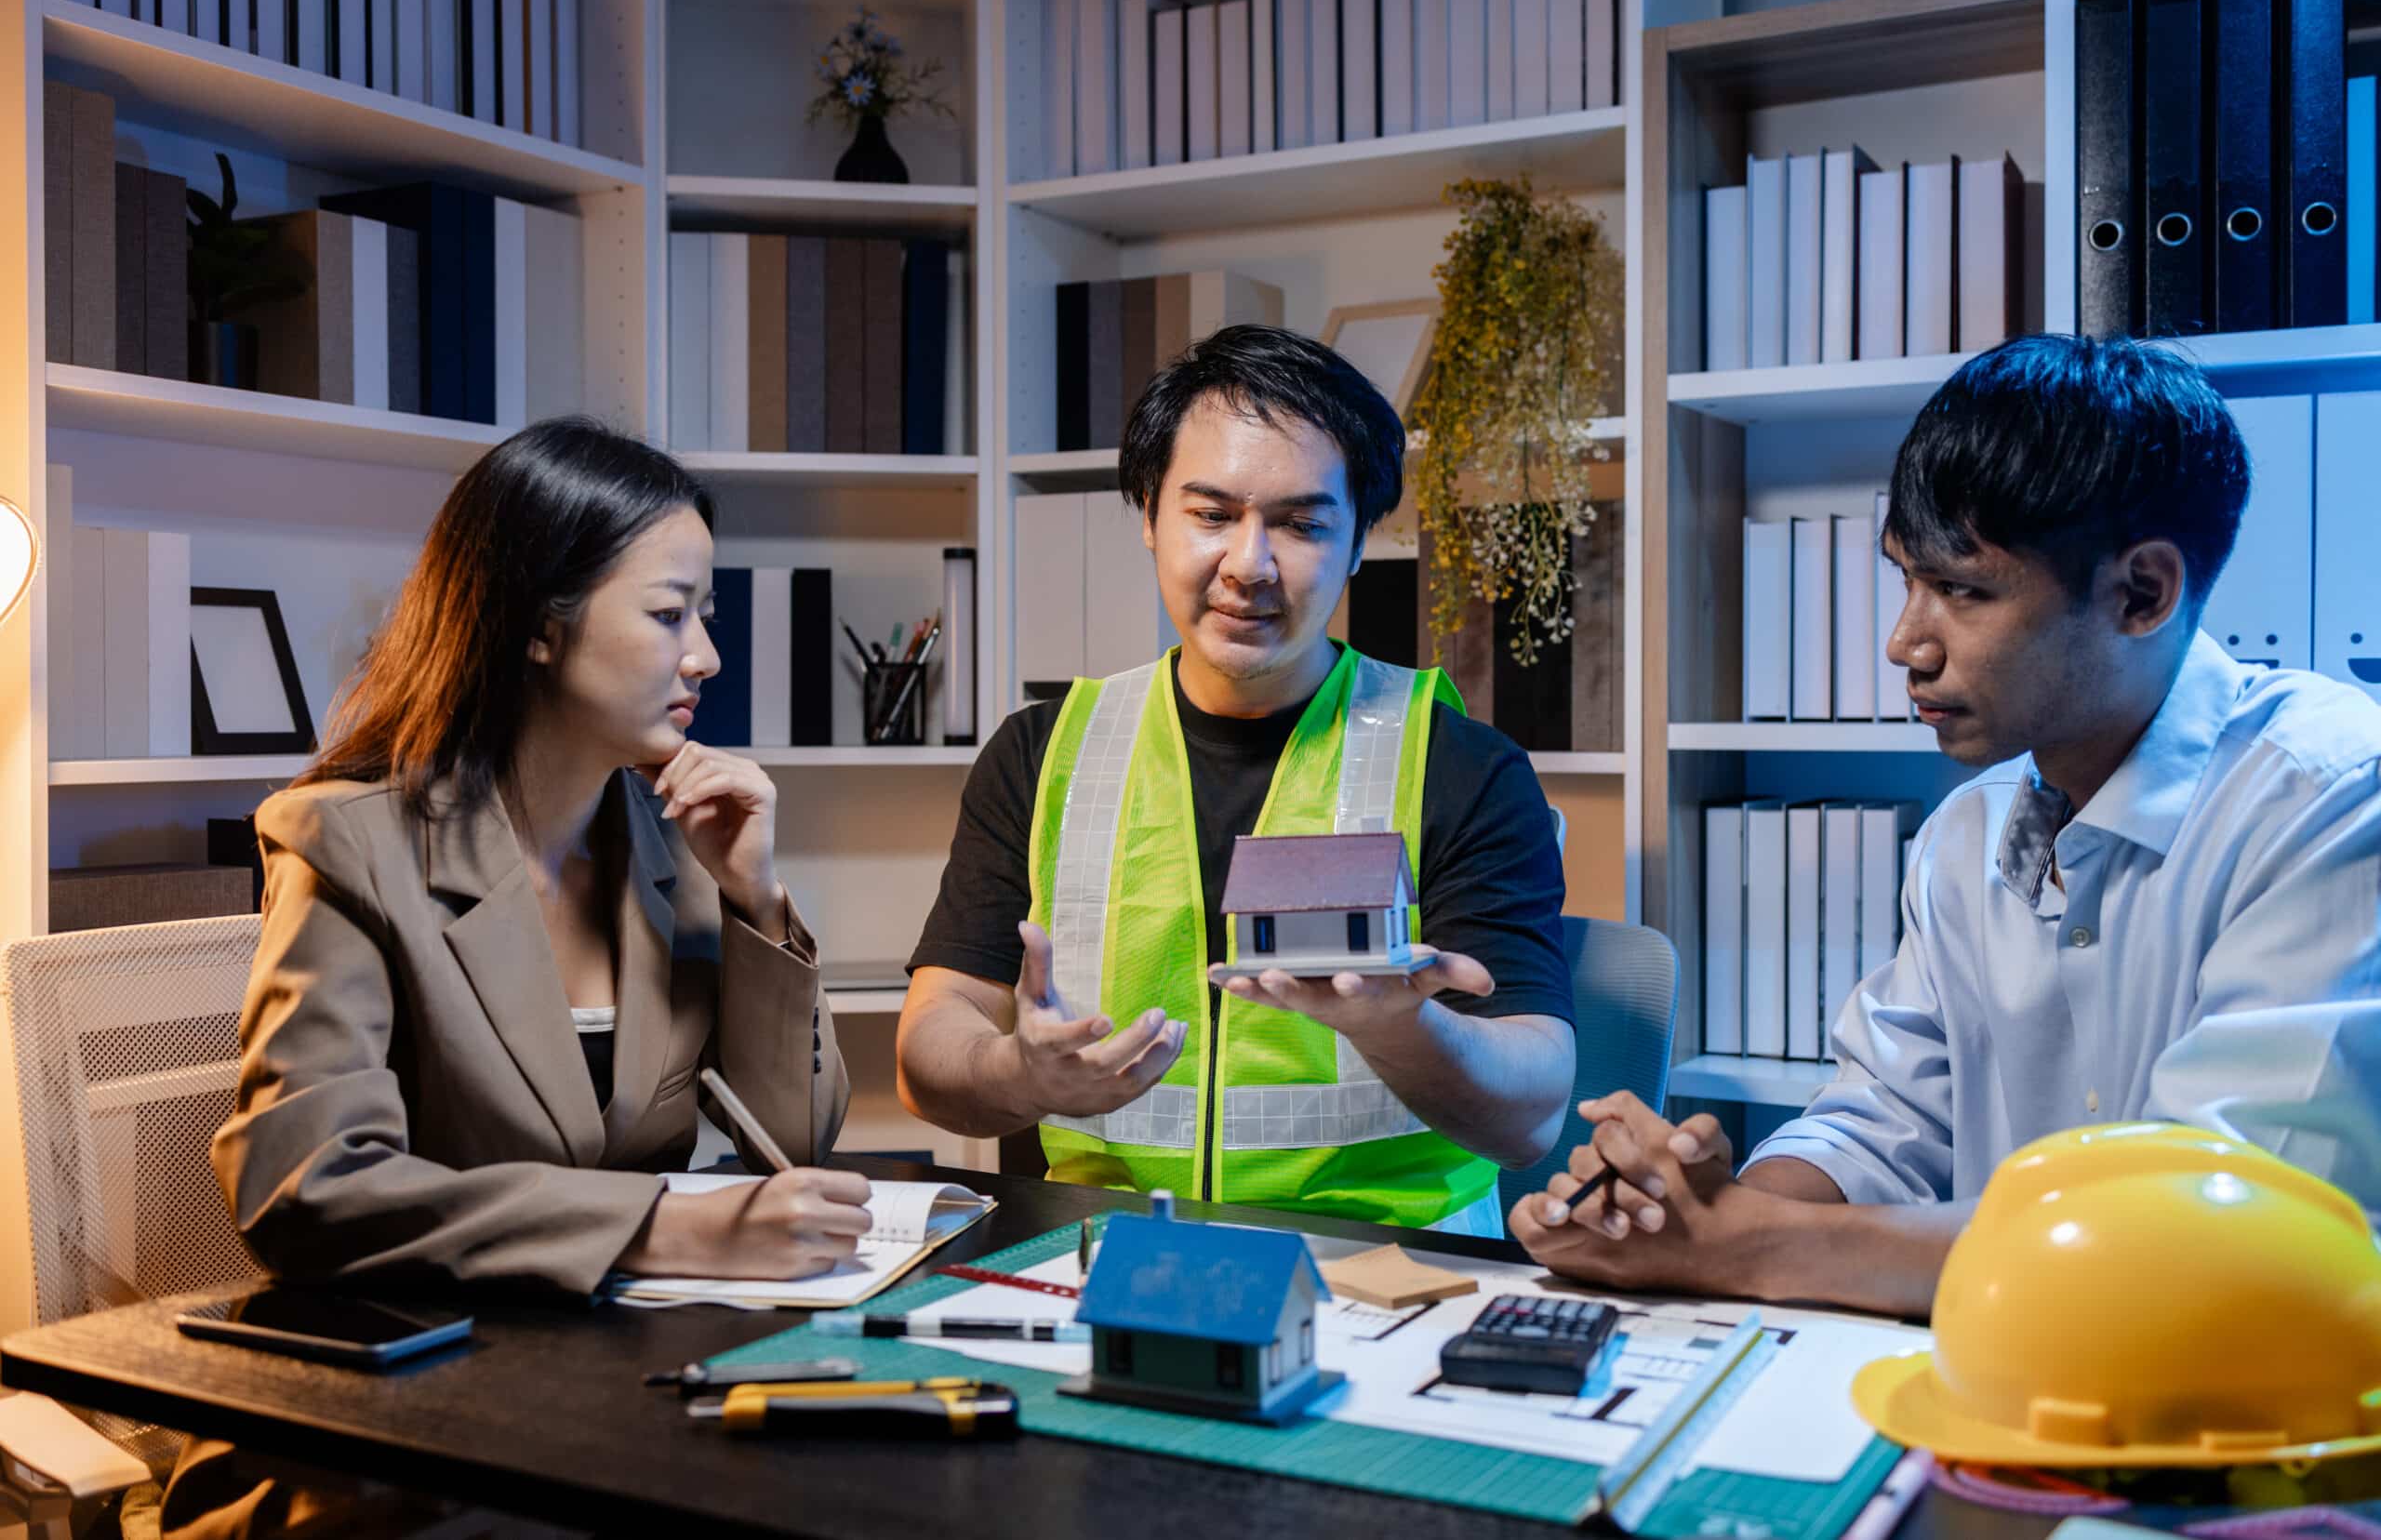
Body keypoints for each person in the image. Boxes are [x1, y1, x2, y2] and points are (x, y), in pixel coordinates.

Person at [1512, 335, 2381, 1315]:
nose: (1904, 644)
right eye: (1906, 580)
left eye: (1963, 591)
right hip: (2005, 1376)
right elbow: (1881, 1121)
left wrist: (1742, 1247)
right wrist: (1689, 1212)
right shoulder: (1965, 834)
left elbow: (2208, 1228)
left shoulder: (2335, 797)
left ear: (2142, 592)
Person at [896, 325, 1576, 1236]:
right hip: (1110, 1262)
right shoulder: (1043, 753)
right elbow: (930, 1047)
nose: (1249, 563)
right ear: (1148, 516)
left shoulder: (1460, 764)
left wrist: (1399, 1029)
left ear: (1357, 543)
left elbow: (1532, 1115)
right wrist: (1020, 1073)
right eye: (1211, 514)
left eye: (1300, 523)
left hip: (1394, 1286)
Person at [210, 418, 867, 1294]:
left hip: (626, 1362)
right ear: (538, 627)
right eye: (669, 614)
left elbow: (798, 1142)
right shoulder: (349, 845)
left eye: (704, 617)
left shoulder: (675, 837)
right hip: (420, 1370)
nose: (706, 657)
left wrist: (755, 899)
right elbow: (308, 1188)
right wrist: (658, 1229)